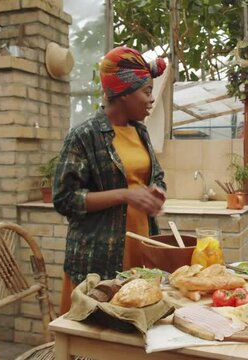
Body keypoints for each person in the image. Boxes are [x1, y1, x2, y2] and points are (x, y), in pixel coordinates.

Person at [53, 47, 167, 313]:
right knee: (94, 342)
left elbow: (156, 174)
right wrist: (125, 194)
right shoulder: (84, 136)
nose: (151, 100)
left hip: (139, 249)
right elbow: (64, 199)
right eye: (147, 92)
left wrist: (156, 190)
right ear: (123, 94)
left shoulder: (141, 132)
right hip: (97, 261)